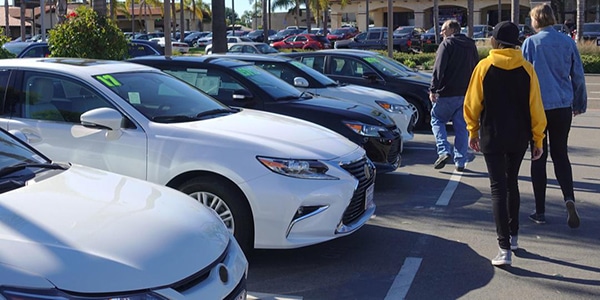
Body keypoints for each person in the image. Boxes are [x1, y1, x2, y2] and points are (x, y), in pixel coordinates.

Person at [464, 21, 547, 266]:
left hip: (492, 134)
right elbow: (536, 108)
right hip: (519, 137)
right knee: (512, 184)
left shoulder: (484, 66)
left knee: (498, 188)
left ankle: (504, 249)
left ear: (495, 41)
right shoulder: (527, 69)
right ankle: (515, 236)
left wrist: (472, 131)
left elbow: (472, 104)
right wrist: (538, 139)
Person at [522, 3, 586, 229]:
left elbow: (524, 75)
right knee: (561, 154)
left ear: (536, 20)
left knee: (538, 156)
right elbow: (577, 75)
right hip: (561, 106)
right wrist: (578, 103)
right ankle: (568, 197)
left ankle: (540, 211)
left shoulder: (530, 43)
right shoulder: (567, 41)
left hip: (538, 108)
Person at [429, 19, 479, 172]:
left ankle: (443, 151)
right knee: (461, 128)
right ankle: (460, 161)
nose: (442, 33)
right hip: (466, 93)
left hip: (447, 93)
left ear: (451, 29)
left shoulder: (447, 44)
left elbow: (439, 69)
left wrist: (433, 89)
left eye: (443, 29)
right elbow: (476, 67)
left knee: (437, 119)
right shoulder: (471, 45)